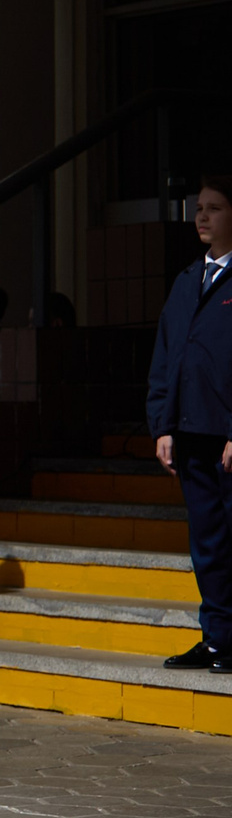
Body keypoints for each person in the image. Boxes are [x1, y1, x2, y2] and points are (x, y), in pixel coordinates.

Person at [152, 176, 232, 675]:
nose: (202, 216)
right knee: (208, 544)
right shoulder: (187, 281)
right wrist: (163, 426)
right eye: (199, 207)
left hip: (226, 437)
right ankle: (218, 639)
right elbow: (167, 358)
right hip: (191, 435)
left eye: (215, 208)